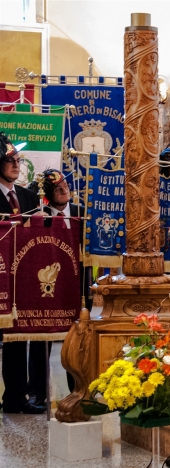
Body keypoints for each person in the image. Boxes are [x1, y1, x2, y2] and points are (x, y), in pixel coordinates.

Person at [0, 132, 45, 414]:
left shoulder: (28, 195)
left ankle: (16, 399)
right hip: (1, 276)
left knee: (20, 338)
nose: (16, 165)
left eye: (18, 159)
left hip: (25, 278)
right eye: (10, 160)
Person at [35, 168, 86, 397]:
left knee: (76, 340)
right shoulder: (39, 216)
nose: (64, 190)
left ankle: (78, 389)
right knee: (41, 340)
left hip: (77, 286)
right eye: (57, 188)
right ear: (48, 195)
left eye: (65, 185)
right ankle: (38, 392)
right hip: (47, 286)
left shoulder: (81, 213)